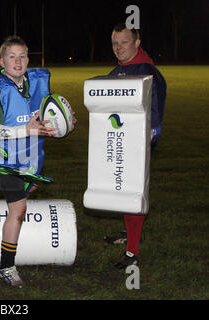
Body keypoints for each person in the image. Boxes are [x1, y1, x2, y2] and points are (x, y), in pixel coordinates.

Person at [0, 36, 75, 287]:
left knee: (22, 206)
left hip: (33, 159)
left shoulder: (37, 83)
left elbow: (48, 119)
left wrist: (64, 125)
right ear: (2, 61)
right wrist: (26, 130)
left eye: (23, 55)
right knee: (19, 209)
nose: (18, 61)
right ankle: (6, 267)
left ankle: (5, 264)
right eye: (12, 56)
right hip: (8, 161)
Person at [104, 23, 166, 269]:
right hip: (117, 145)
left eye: (124, 42)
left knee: (133, 196)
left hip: (136, 148)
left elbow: (156, 117)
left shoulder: (147, 72)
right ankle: (128, 234)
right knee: (122, 192)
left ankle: (132, 252)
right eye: (115, 43)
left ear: (137, 43)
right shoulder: (116, 71)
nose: (119, 48)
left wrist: (143, 147)